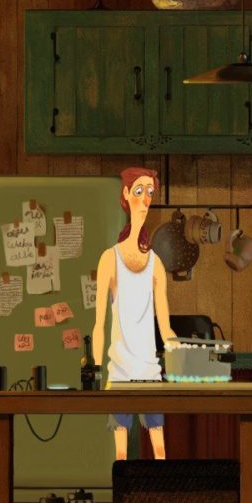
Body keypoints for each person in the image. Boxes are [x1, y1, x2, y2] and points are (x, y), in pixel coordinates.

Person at [91, 167, 175, 461]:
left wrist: (185, 354)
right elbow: (99, 322)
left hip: (150, 374)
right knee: (121, 455)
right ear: (126, 194)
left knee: (160, 452)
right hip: (119, 374)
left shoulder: (156, 264)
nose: (145, 199)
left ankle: (162, 494)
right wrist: (96, 370)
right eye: (139, 191)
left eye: (150, 192)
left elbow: (165, 327)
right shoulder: (109, 259)